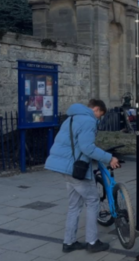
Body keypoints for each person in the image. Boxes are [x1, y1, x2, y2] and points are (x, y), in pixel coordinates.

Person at [45, 99, 120, 253]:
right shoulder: (88, 121)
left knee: (74, 205)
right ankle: (92, 242)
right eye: (100, 115)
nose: (99, 119)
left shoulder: (71, 118)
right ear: (97, 109)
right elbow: (87, 148)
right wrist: (109, 158)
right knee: (93, 201)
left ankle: (69, 242)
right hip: (75, 169)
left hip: (63, 167)